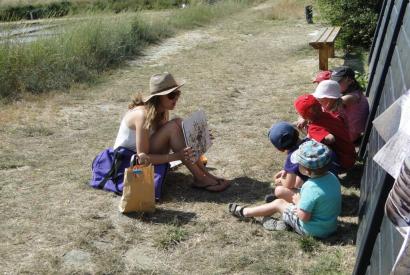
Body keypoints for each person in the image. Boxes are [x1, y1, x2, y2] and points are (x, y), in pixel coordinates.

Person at [113, 72, 229, 192]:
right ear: (158, 97)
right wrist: (176, 156)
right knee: (174, 126)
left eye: (177, 94)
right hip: (127, 162)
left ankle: (207, 176)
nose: (176, 98)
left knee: (179, 123)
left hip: (145, 156)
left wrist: (199, 136)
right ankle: (201, 178)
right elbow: (141, 158)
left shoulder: (163, 111)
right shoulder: (142, 115)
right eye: (171, 95)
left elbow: (171, 140)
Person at [229, 140, 341, 238]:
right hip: (330, 226)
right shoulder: (332, 177)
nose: (297, 166)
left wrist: (298, 203)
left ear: (307, 171)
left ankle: (245, 212)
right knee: (286, 196)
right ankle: (284, 222)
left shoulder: (310, 187)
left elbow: (304, 217)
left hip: (312, 230)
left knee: (279, 203)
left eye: (299, 164)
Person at [294, 94, 356, 171]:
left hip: (342, 162)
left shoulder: (314, 128)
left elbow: (331, 138)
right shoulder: (328, 114)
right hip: (351, 154)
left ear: (304, 116)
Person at [329, 66, 369, 143]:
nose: (334, 84)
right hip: (348, 130)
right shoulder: (350, 91)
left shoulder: (351, 97)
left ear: (350, 81)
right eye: (332, 81)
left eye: (338, 81)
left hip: (349, 136)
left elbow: (329, 106)